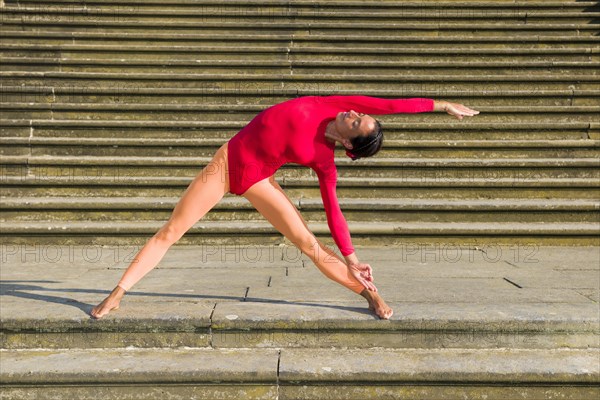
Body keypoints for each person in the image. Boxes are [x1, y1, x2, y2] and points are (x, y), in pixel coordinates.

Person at [90, 95, 479, 320]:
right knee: (172, 230)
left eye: (357, 122)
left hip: (258, 180)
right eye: (360, 114)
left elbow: (333, 210)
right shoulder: (336, 104)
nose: (355, 114)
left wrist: (352, 257)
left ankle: (368, 294)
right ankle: (119, 291)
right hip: (227, 163)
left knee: (309, 245)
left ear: (348, 145)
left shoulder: (324, 160)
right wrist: (440, 104)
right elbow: (391, 105)